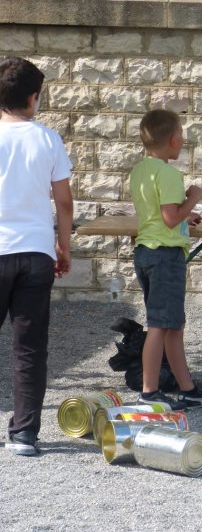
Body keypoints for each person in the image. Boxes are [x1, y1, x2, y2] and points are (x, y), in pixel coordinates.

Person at [0, 57, 73, 456]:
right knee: (29, 347)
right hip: (35, 251)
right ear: (33, 97)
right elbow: (63, 203)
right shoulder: (48, 139)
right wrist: (63, 246)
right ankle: (25, 433)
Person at [130, 109, 202, 410]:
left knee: (172, 325)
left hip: (146, 252)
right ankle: (149, 392)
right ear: (173, 139)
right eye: (181, 135)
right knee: (158, 325)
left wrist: (186, 215)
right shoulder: (169, 174)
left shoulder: (141, 171)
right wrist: (193, 197)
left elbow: (160, 213)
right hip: (165, 255)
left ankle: (187, 388)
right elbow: (169, 219)